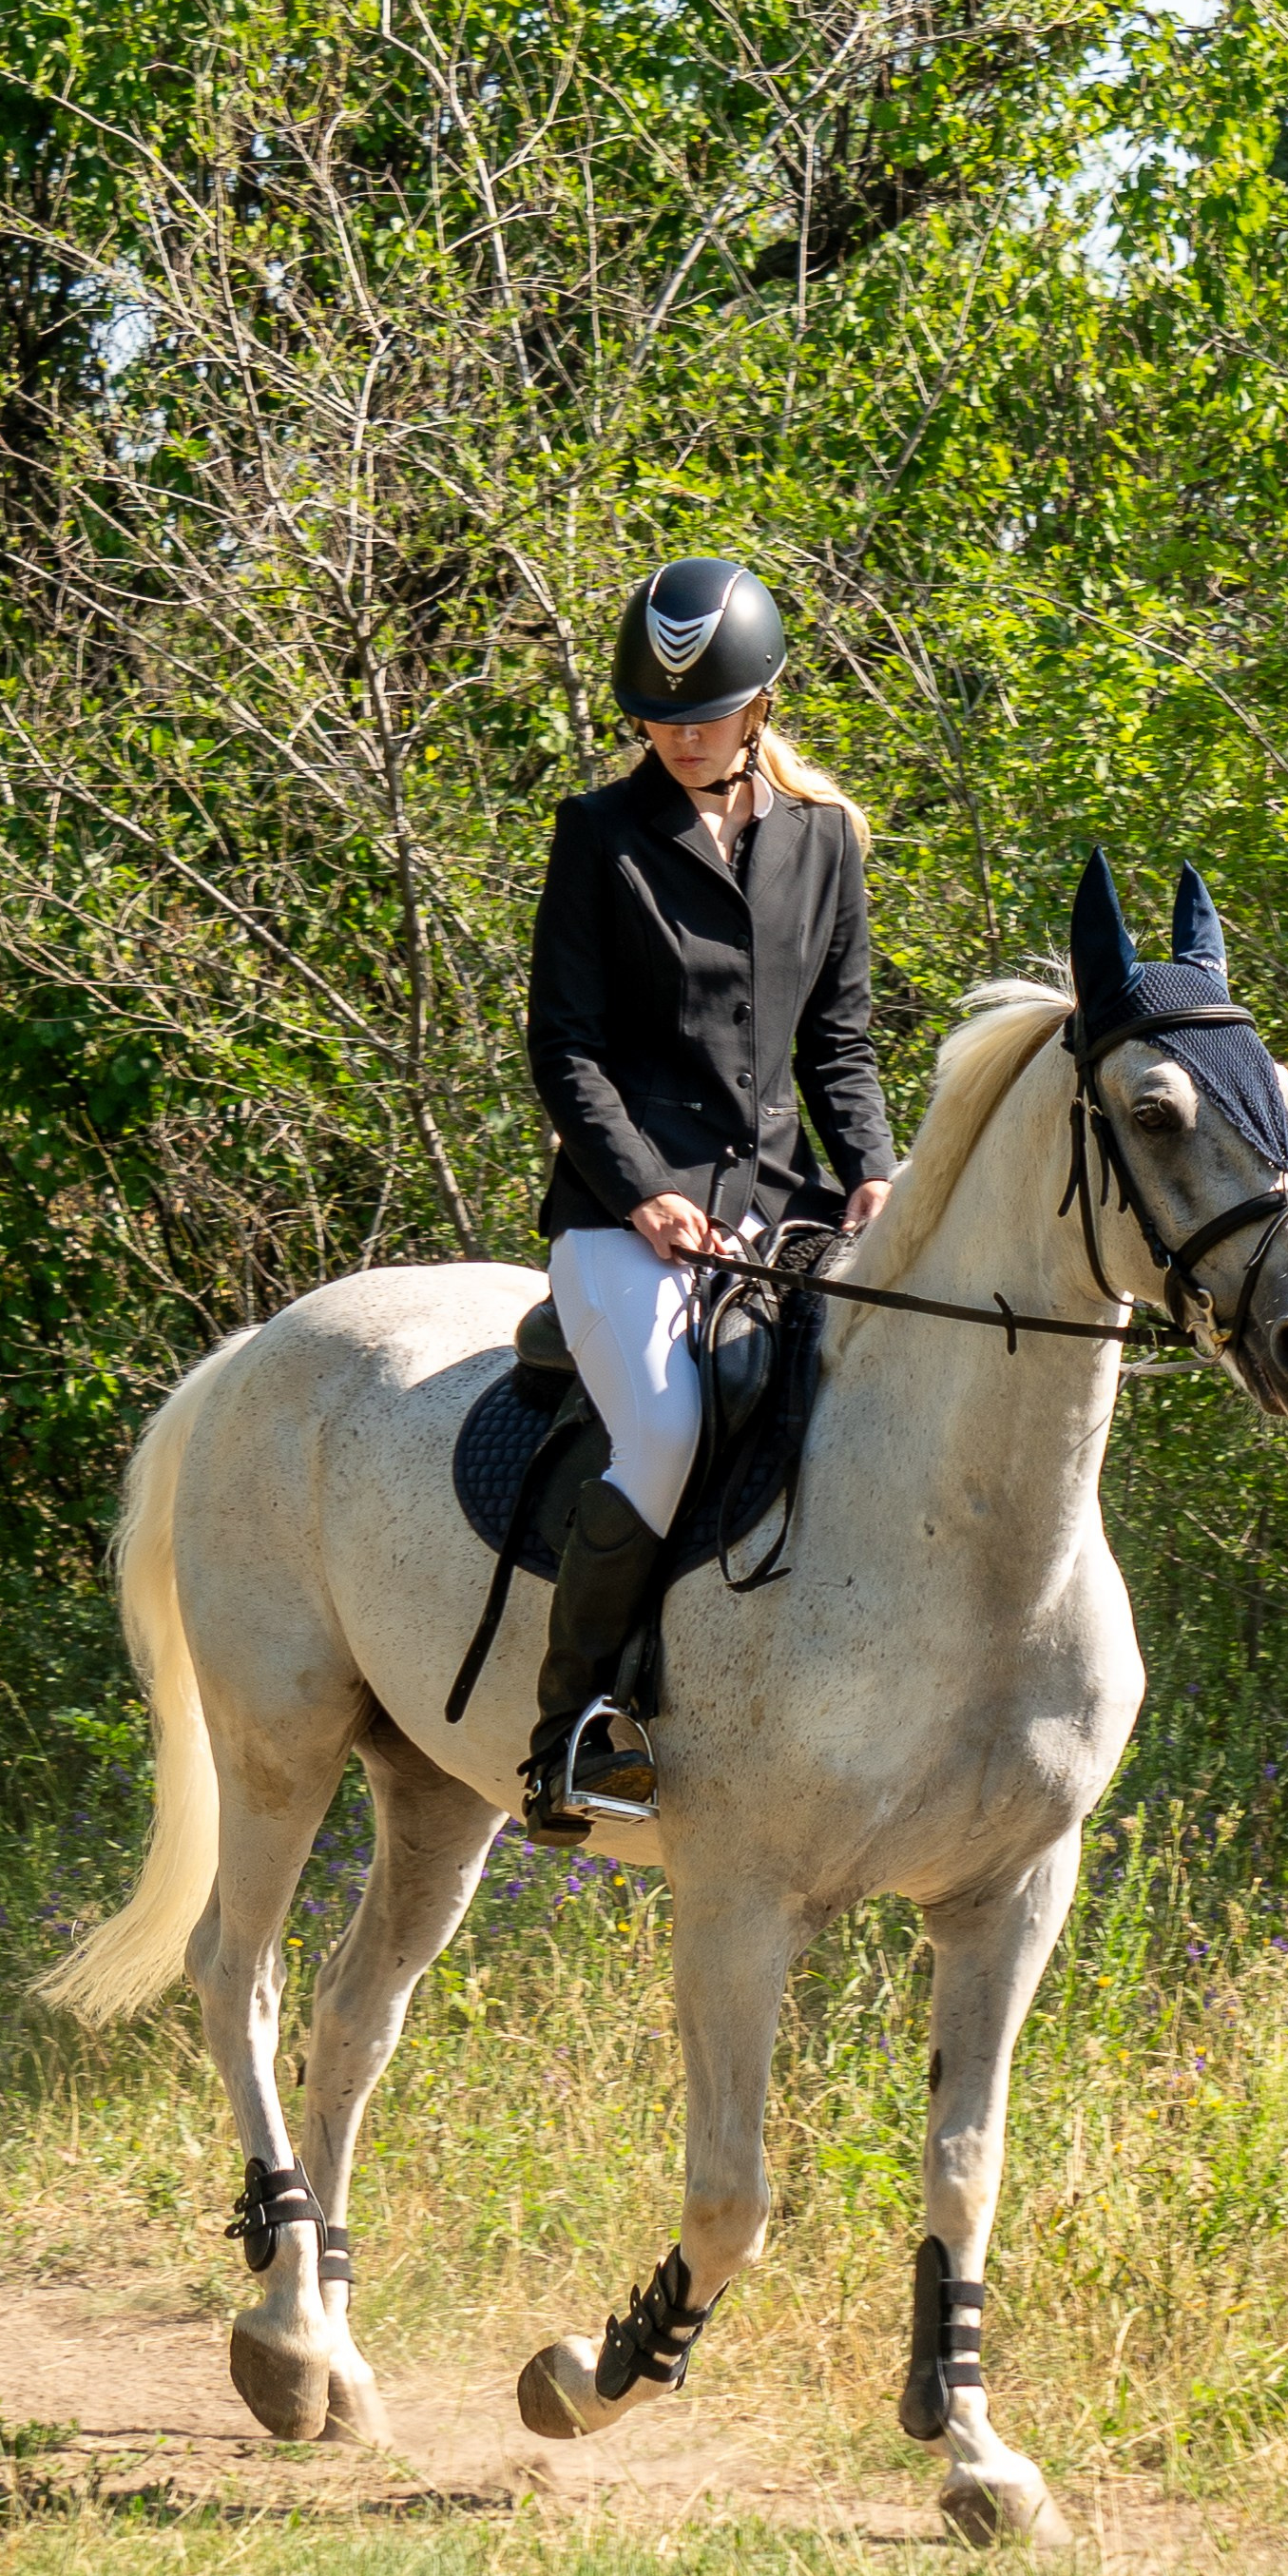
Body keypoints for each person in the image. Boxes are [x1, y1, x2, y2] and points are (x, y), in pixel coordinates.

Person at [519, 556, 896, 1842]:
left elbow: (837, 1046)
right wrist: (640, 1198)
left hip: (775, 1207)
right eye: (656, 713)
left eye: (705, 712)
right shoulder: (598, 837)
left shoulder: (824, 840)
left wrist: (874, 1174)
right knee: (670, 1428)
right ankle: (570, 1728)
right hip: (618, 1216)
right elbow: (561, 1050)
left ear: (761, 703)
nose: (678, 734)